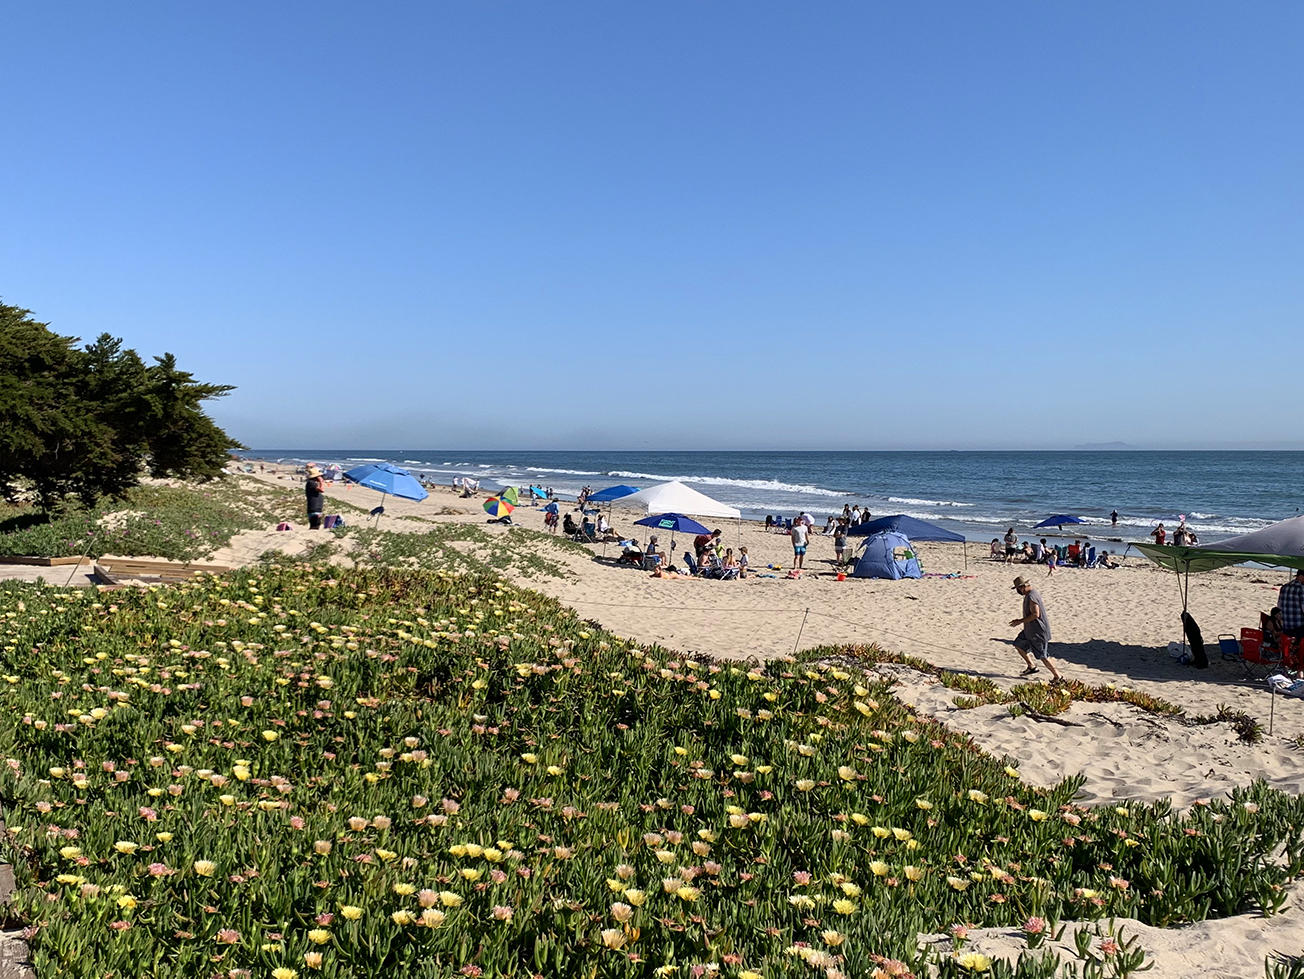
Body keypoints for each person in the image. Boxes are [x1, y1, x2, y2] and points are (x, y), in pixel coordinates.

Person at [1008, 576, 1062, 681]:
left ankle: (1058, 676)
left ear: (1022, 587)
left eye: (1018, 589)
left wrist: (1020, 621)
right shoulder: (1029, 595)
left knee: (1043, 656)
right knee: (1018, 644)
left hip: (1037, 632)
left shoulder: (1032, 596)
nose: (1018, 591)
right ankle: (1031, 666)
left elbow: (1035, 614)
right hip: (1029, 630)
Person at [1279, 569, 1304, 641]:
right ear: (1301, 576)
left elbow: (1279, 606)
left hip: (1285, 626)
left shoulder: (1284, 587)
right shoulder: (1301, 589)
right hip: (1298, 627)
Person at [304, 465, 325, 530]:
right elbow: (322, 490)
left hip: (316, 508)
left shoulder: (313, 483)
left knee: (316, 525)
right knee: (315, 525)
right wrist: (321, 482)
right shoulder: (311, 483)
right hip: (314, 508)